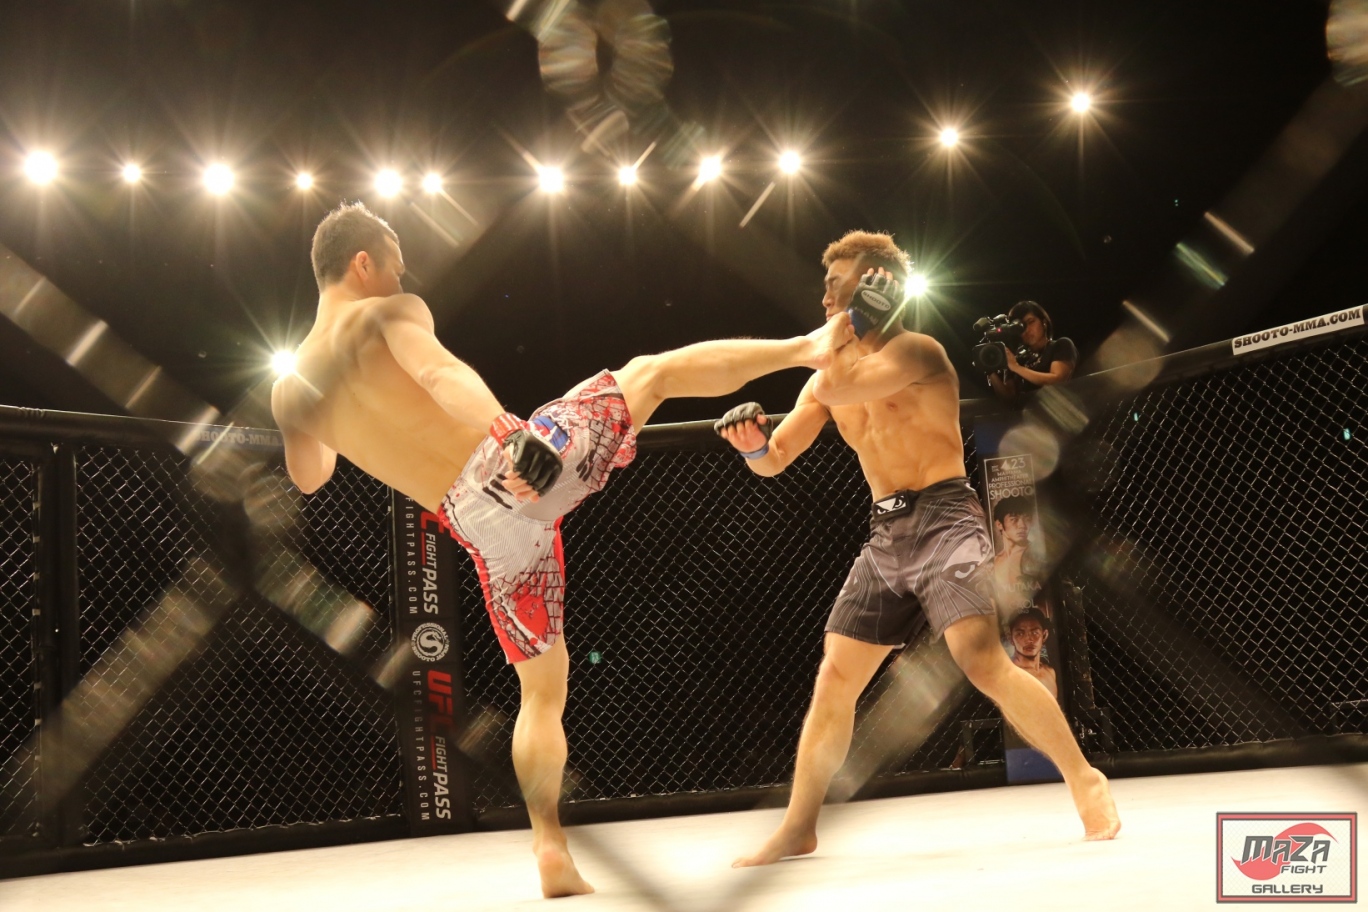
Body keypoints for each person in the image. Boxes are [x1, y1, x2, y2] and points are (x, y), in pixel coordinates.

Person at [271, 202, 835, 897]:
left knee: (540, 690)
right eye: (394, 261)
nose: (402, 275)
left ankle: (549, 847)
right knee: (651, 373)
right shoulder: (385, 313)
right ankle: (808, 347)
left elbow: (310, 476)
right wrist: (513, 435)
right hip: (513, 465)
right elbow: (440, 375)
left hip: (478, 527)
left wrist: (325, 418)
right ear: (363, 262)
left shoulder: (290, 389)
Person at [716, 230, 1119, 867]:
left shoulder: (917, 351)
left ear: (874, 286)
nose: (824, 297)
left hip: (946, 518)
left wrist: (840, 340)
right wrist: (753, 446)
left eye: (837, 285)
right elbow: (778, 457)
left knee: (981, 660)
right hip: (885, 534)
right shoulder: (827, 374)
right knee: (835, 677)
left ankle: (1083, 778)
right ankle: (799, 825)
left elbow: (840, 388)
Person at [987, 300, 1077, 401]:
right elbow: (1008, 398)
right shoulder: (1018, 358)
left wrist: (1016, 367)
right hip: (1027, 411)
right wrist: (989, 370)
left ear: (1044, 323)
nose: (1027, 330)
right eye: (1020, 327)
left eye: (1030, 322)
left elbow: (1057, 380)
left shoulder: (1060, 345)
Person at [990, 495, 1040, 614]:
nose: (1022, 525)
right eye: (1014, 519)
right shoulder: (994, 562)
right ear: (999, 524)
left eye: (1027, 519)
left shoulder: (1037, 556)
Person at [1007, 608, 1057, 701]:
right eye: (1020, 633)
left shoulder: (1050, 672)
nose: (1029, 639)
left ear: (1044, 635)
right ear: (1011, 638)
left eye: (1035, 632)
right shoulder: (1008, 676)